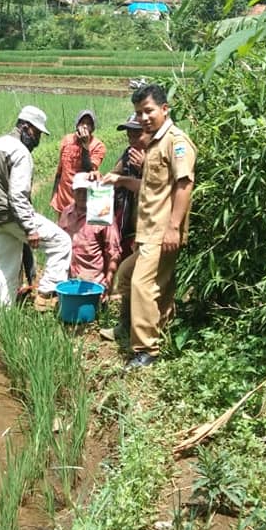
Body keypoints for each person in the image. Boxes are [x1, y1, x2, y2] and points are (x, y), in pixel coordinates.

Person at [101, 83, 196, 370]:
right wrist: (118, 180)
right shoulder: (154, 143)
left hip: (162, 231)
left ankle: (146, 351)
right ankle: (134, 328)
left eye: (148, 111)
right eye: (138, 112)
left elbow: (184, 184)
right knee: (129, 277)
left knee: (143, 285)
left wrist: (173, 227)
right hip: (148, 230)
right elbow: (150, 187)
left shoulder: (176, 141)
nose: (143, 118)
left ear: (165, 109)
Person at [0, 105, 71, 310]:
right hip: (14, 217)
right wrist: (30, 228)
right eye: (37, 133)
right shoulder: (20, 151)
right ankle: (46, 295)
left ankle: (2, 320)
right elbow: (17, 195)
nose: (38, 140)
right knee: (61, 242)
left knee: (5, 274)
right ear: (26, 127)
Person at [58, 172, 122, 293]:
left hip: (93, 283)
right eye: (79, 191)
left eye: (86, 191)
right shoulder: (67, 212)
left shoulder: (102, 216)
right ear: (73, 192)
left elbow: (113, 251)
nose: (82, 195)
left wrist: (109, 280)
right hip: (68, 280)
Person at [50, 109, 106, 215]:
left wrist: (85, 145)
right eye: (82, 123)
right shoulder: (67, 140)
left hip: (82, 202)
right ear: (77, 125)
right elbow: (60, 171)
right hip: (63, 199)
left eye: (89, 124)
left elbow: (89, 171)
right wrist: (54, 196)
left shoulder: (98, 146)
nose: (85, 126)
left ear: (93, 128)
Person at [108, 113, 148, 256]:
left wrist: (144, 168)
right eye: (129, 136)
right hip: (126, 221)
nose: (132, 141)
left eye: (137, 135)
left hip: (146, 228)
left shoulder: (156, 156)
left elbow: (158, 188)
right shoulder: (128, 154)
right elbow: (113, 175)